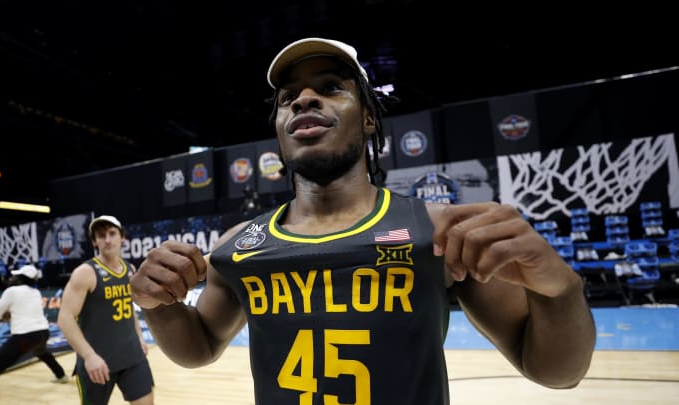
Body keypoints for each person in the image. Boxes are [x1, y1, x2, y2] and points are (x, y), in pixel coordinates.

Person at [129, 37, 597, 404]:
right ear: (278, 129)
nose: (304, 100)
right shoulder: (238, 245)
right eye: (288, 97)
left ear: (369, 119)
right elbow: (200, 347)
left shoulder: (438, 232)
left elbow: (556, 371)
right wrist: (159, 305)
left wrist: (561, 289)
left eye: (331, 87)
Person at [57, 215, 154, 405]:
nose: (107, 240)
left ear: (122, 237)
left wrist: (140, 337)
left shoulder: (130, 269)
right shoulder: (85, 273)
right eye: (101, 236)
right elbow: (65, 318)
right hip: (97, 362)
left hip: (132, 356)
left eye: (112, 233)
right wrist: (89, 356)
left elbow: (129, 308)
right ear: (94, 241)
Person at [0, 264, 69, 405]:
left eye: (16, 275)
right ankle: (61, 375)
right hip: (43, 332)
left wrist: (8, 315)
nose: (12, 277)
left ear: (20, 279)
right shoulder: (36, 292)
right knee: (41, 352)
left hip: (24, 336)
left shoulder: (12, 291)